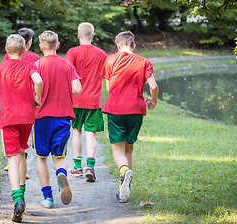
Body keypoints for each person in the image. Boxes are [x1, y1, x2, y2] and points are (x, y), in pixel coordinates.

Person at [0, 34, 43, 222]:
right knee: (22, 152)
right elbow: (38, 81)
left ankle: (17, 198)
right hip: (27, 116)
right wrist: (38, 99)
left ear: (6, 49)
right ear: (25, 50)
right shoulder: (30, 66)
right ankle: (23, 191)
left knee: (12, 157)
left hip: (8, 117)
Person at [101, 31, 158, 203]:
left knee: (117, 150)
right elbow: (153, 86)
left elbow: (109, 88)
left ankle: (124, 171)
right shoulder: (144, 62)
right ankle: (124, 188)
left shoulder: (110, 60)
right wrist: (153, 101)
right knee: (129, 149)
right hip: (136, 109)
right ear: (134, 45)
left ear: (118, 46)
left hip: (116, 109)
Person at [33, 30, 81, 209]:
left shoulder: (36, 65)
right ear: (58, 45)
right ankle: (61, 175)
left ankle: (48, 198)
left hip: (41, 118)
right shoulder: (67, 65)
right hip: (62, 117)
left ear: (40, 47)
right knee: (59, 156)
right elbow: (77, 89)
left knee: (41, 156)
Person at [65, 22, 107, 182]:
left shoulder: (72, 52)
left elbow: (67, 72)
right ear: (93, 36)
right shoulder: (101, 54)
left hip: (75, 100)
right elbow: (106, 75)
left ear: (78, 36)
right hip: (94, 101)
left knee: (76, 132)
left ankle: (77, 167)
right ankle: (90, 165)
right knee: (91, 134)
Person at [3, 28, 40, 179]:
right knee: (25, 136)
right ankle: (22, 164)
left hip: (11, 100)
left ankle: (13, 162)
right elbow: (39, 78)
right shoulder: (35, 57)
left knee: (12, 134)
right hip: (28, 100)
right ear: (29, 43)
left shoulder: (7, 57)